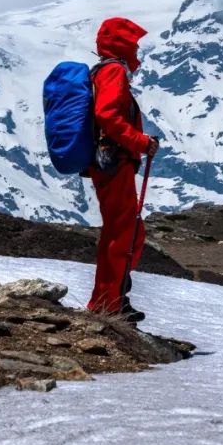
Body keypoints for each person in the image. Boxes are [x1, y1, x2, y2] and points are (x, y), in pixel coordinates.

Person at [86, 16, 159, 321]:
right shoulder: (114, 71)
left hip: (108, 163)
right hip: (114, 163)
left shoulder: (103, 70)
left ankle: (111, 298)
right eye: (134, 44)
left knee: (127, 232)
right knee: (123, 234)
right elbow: (108, 115)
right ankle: (109, 304)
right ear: (122, 44)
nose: (137, 51)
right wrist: (141, 142)